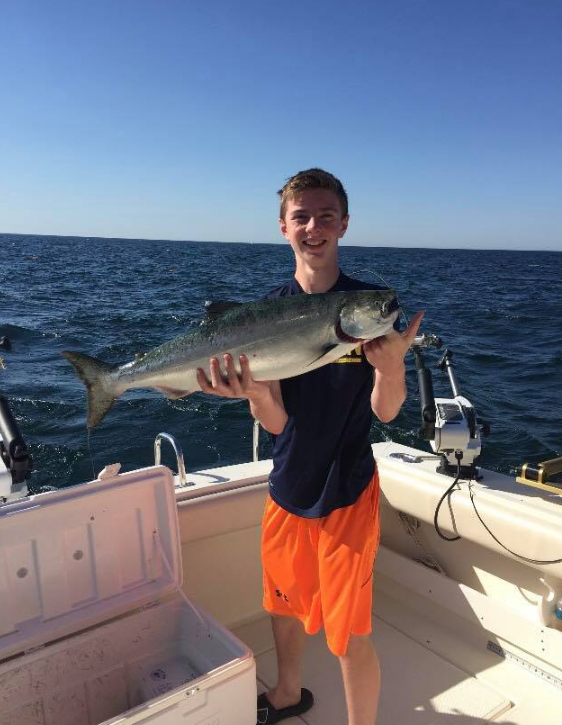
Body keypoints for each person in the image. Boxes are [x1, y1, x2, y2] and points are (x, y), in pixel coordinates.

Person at [196, 168, 424, 725]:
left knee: (348, 634)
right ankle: (287, 694)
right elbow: (275, 423)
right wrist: (251, 391)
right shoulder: (264, 311)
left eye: (326, 216)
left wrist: (391, 366)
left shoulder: (366, 312)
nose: (314, 227)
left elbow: (386, 412)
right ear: (283, 227)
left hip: (347, 490)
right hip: (287, 487)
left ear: (344, 224)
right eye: (302, 217)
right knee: (284, 607)